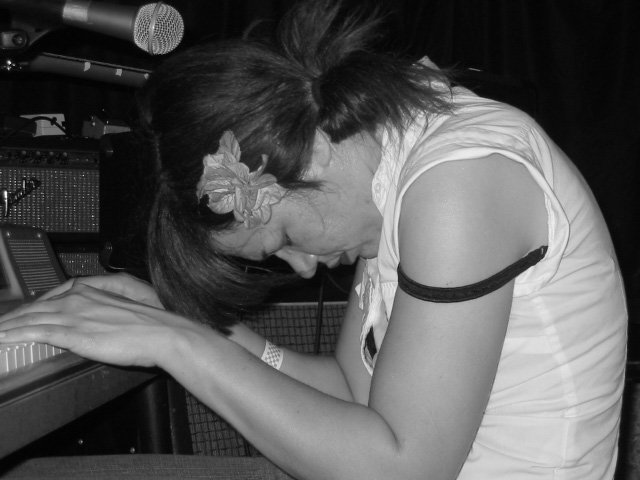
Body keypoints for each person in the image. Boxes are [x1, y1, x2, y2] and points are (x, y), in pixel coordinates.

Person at [0, 0, 627, 478]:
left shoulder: (459, 184)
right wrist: (188, 322)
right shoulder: (391, 161)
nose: (301, 267)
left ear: (310, 154)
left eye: (281, 237)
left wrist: (176, 343)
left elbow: (402, 468)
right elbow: (353, 390)